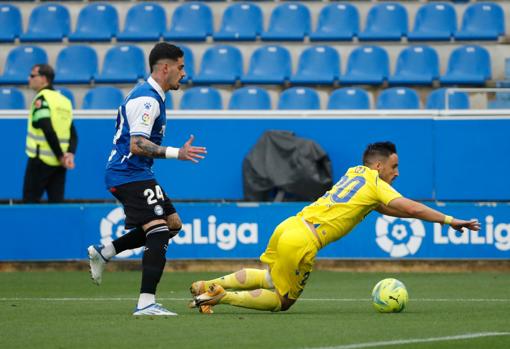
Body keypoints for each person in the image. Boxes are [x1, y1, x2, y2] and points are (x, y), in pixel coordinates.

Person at [189, 142, 481, 314]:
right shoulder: (376, 184)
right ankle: (220, 296)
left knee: (269, 277)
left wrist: (416, 216)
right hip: (304, 240)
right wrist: (449, 220)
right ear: (379, 167)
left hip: (289, 225)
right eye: (394, 166)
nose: (397, 172)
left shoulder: (355, 174)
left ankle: (208, 285)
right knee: (283, 299)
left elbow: (388, 210)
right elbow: (410, 206)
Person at [87, 42, 207, 316]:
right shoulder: (147, 99)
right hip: (127, 173)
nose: (184, 73)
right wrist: (179, 153)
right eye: (181, 67)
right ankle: (146, 303)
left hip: (136, 173)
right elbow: (137, 144)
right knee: (159, 231)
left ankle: (104, 252)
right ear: (165, 68)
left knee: (172, 224)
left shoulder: (152, 96)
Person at [23, 64, 77, 203]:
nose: (29, 78)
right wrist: (69, 154)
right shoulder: (64, 101)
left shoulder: (42, 99)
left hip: (40, 161)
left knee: (29, 205)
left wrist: (60, 155)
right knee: (56, 207)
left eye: (32, 75)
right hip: (60, 164)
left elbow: (47, 129)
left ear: (44, 79)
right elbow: (73, 134)